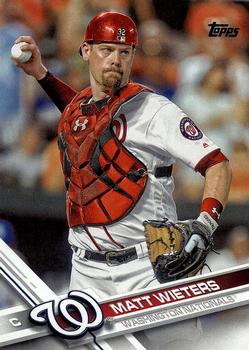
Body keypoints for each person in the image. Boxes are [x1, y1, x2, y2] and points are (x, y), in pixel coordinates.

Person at [13, 12, 232, 349]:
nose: (116, 59)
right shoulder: (82, 106)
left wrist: (205, 225)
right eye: (106, 50)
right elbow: (83, 116)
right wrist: (41, 74)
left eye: (124, 51)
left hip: (149, 268)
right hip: (86, 273)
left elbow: (216, 163)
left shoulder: (154, 109)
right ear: (85, 51)